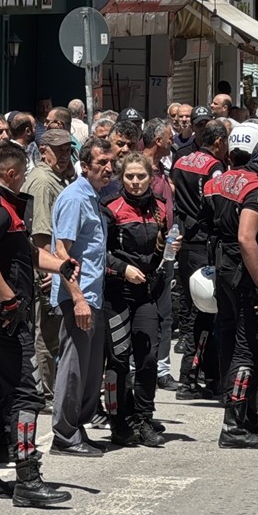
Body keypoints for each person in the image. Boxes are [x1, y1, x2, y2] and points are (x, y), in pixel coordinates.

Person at [0, 141, 76, 507]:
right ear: (10, 174)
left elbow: (22, 253)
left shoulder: (3, 206)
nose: (25, 179)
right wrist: (9, 298)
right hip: (1, 318)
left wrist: (58, 265)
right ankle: (27, 477)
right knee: (26, 395)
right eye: (23, 174)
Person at [202, 126, 258, 449]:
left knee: (229, 339)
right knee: (247, 347)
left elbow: (208, 222)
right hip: (243, 273)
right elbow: (246, 238)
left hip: (222, 270)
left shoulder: (219, 180)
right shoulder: (257, 190)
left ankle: (246, 414)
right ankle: (233, 425)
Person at [100, 152, 177, 448]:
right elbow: (98, 252)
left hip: (146, 293)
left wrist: (167, 248)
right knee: (118, 361)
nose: (134, 182)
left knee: (147, 358)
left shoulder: (159, 209)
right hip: (117, 293)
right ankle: (119, 421)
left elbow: (160, 252)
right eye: (129, 176)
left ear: (151, 178)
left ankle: (144, 419)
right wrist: (123, 269)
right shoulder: (110, 208)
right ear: (122, 177)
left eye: (140, 176)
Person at [49, 137, 115, 457]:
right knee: (73, 368)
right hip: (78, 297)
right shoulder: (75, 198)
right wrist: (77, 298)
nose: (108, 168)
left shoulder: (93, 198)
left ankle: (77, 426)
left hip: (93, 296)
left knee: (89, 371)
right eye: (101, 163)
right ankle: (64, 434)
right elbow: (62, 253)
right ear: (84, 166)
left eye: (110, 162)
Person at [171, 121, 229, 399]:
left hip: (186, 242)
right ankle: (189, 378)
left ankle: (208, 376)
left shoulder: (182, 161)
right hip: (204, 244)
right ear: (218, 142)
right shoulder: (213, 167)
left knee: (195, 308)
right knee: (206, 311)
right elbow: (215, 205)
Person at [21, 128, 76, 409]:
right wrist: (48, 272)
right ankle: (48, 391)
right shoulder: (43, 181)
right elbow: (40, 233)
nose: (64, 155)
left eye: (68, 150)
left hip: (55, 266)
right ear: (43, 151)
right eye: (58, 150)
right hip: (47, 269)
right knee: (47, 334)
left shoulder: (59, 178)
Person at [140, 118, 179, 391]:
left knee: (165, 312)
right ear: (157, 141)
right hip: (145, 255)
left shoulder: (163, 171)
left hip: (168, 250)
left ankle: (162, 368)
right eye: (168, 138)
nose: (172, 142)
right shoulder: (141, 171)